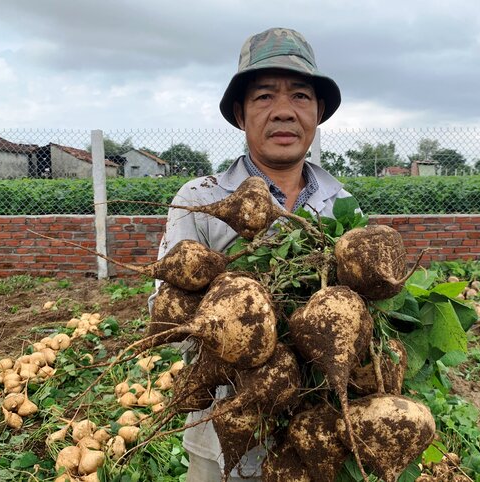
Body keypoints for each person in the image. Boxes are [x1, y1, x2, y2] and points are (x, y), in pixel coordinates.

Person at [151, 27, 352, 482]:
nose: (284, 111)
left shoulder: (344, 205)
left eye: (300, 95)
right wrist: (242, 320)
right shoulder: (199, 197)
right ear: (241, 114)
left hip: (314, 437)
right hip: (222, 432)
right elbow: (167, 318)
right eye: (264, 97)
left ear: (318, 112)